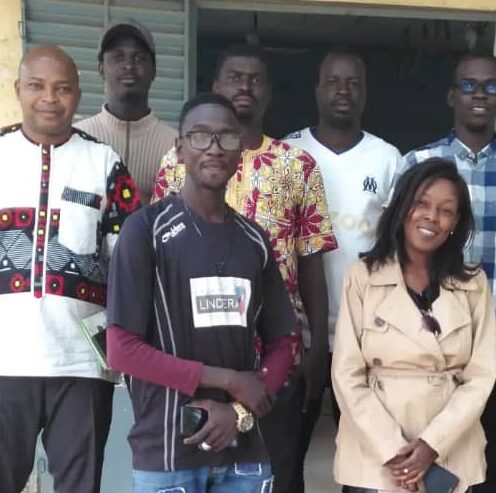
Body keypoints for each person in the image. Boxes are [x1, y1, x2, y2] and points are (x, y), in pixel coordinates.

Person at [152, 43, 337, 493]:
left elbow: (311, 257)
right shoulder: (178, 164)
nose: (245, 86)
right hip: (194, 359)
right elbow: (159, 258)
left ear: (269, 92)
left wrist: (316, 351)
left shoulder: (297, 164)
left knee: (278, 475)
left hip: (276, 359)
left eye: (255, 79)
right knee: (195, 477)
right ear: (215, 87)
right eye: (235, 77)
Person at [106, 92, 298, 492]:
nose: (214, 148)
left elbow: (284, 341)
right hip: (168, 455)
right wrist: (230, 380)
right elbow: (122, 348)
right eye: (200, 136)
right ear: (179, 148)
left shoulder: (254, 241)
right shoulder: (146, 231)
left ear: (241, 148)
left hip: (243, 457)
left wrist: (240, 411)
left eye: (226, 137)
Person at [0, 45, 140, 493]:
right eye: (37, 86)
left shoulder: (103, 163)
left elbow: (128, 264)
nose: (49, 98)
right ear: (18, 90)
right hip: (1, 360)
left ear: (78, 94)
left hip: (82, 365)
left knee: (80, 486)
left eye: (62, 88)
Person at [399, 51, 496, 492]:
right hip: (426, 352)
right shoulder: (418, 164)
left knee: (491, 466)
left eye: (491, 86)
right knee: (424, 468)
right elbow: (396, 245)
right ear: (451, 96)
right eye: (468, 85)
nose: (479, 94)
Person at [332, 158, 496, 493]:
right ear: (403, 207)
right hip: (375, 455)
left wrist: (431, 445)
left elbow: (480, 377)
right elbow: (346, 376)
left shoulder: (473, 283)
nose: (431, 217)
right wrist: (397, 454)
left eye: (446, 210)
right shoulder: (363, 276)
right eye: (421, 203)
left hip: (450, 452)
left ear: (456, 222)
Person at [285, 45, 402, 454]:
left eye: (353, 84)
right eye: (333, 82)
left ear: (365, 92)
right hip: (297, 331)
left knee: (365, 456)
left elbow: (400, 248)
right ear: (317, 90)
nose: (343, 92)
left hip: (366, 333)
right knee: (289, 452)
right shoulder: (289, 154)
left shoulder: (388, 159)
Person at [76, 18, 176, 205]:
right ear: (101, 68)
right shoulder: (79, 138)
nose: (128, 66)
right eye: (118, 57)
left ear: (154, 70)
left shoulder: (174, 146)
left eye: (138, 58)